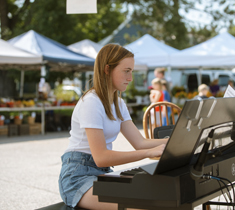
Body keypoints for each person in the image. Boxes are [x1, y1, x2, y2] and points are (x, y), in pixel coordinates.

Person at [58, 44, 167, 210]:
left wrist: (170, 142)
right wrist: (148, 153)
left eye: (132, 71)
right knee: (141, 205)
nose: (130, 78)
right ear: (107, 69)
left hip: (102, 172)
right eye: (126, 70)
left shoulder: (118, 103)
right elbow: (101, 157)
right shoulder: (91, 102)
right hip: (78, 176)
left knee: (160, 195)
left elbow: (140, 142)